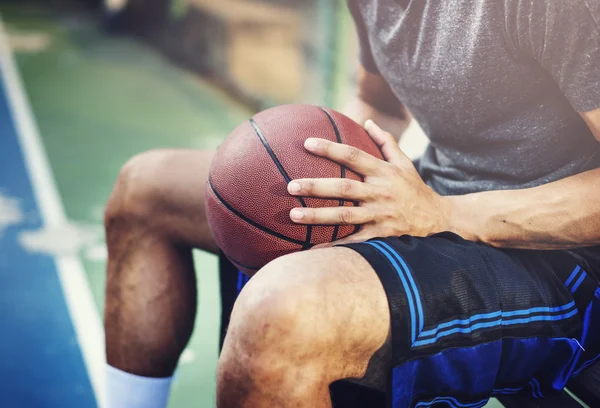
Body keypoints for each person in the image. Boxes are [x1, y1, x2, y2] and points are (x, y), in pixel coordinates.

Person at [103, 0, 600, 407]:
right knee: (147, 187)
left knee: (281, 310)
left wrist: (442, 214)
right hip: (436, 195)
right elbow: (380, 107)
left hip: (559, 258)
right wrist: (317, 167)